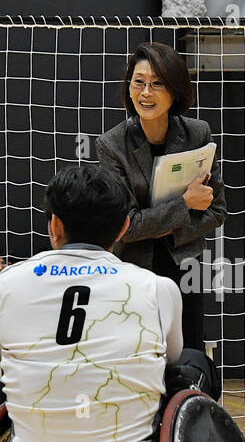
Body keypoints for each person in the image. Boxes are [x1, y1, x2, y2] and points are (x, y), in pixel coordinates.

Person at [0, 164, 183, 442]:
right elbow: (172, 357)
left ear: (55, 225)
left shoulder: (6, 283)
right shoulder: (158, 287)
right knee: (192, 365)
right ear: (123, 228)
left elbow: (3, 363)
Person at [96, 41, 226, 351]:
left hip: (185, 268)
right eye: (138, 82)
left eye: (157, 84)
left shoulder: (198, 134)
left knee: (187, 359)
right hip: (133, 271)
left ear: (175, 90)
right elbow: (125, 225)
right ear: (128, 88)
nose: (146, 93)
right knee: (139, 358)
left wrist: (159, 226)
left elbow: (217, 210)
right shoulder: (112, 145)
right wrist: (183, 205)